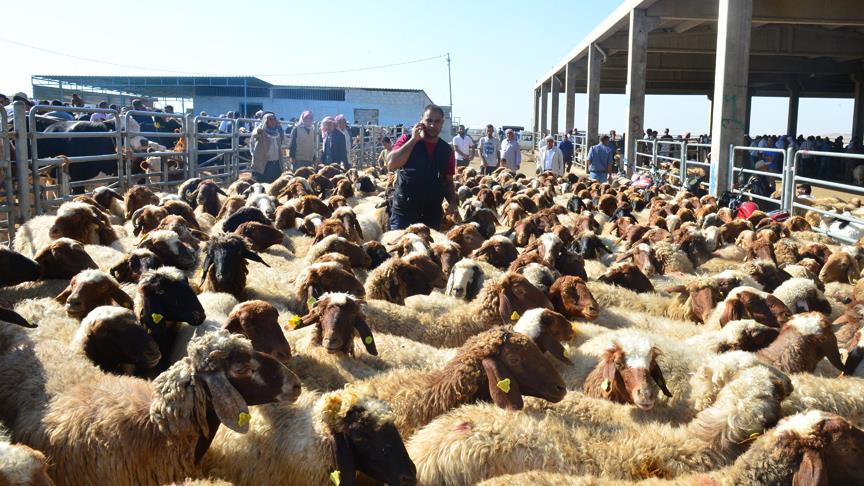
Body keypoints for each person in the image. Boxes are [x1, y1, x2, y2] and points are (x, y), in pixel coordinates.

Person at [386, 104, 457, 231]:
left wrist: (452, 202)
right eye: (429, 120)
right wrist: (413, 140)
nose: (432, 125)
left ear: (442, 123)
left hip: (431, 215)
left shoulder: (446, 150)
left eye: (437, 121)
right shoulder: (406, 140)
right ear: (421, 120)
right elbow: (392, 164)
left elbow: (448, 181)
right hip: (404, 213)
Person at [250, 112, 285, 183]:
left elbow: (283, 140)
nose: (273, 122)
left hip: (276, 165)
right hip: (264, 166)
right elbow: (255, 134)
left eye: (274, 120)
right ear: (265, 121)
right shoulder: (262, 132)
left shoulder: (277, 133)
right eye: (270, 120)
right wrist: (258, 131)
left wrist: (279, 127)